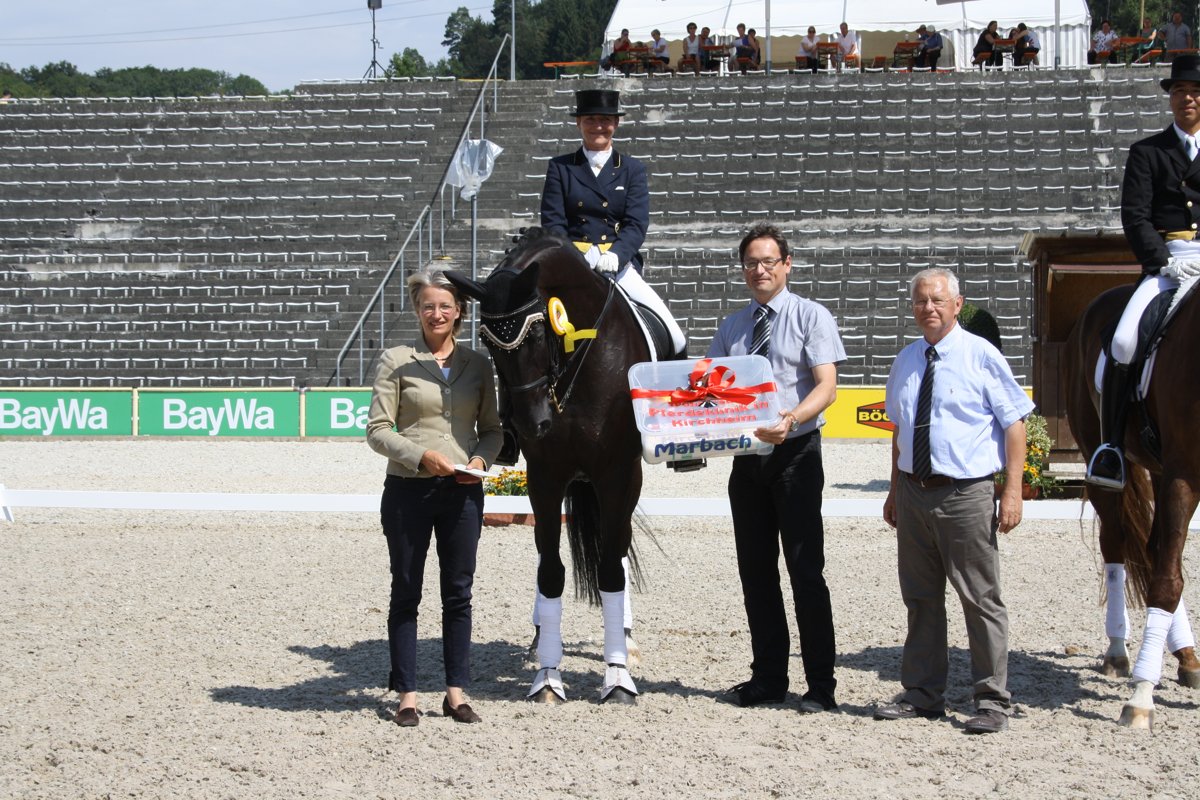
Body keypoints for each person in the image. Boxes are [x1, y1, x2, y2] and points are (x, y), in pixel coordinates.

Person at [876, 267, 1033, 735]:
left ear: (957, 303)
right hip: (914, 491)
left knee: (980, 598)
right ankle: (922, 695)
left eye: (938, 300)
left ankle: (991, 699)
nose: (929, 308)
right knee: (921, 599)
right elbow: (899, 431)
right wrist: (892, 489)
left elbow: (1015, 424)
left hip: (965, 493)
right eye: (921, 300)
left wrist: (1013, 489)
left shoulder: (980, 356)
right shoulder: (905, 359)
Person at [708, 222, 846, 713]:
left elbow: (826, 386)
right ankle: (767, 677)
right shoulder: (731, 327)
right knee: (756, 572)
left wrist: (790, 419)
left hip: (797, 453)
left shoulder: (811, 316)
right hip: (748, 461)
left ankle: (821, 686)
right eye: (751, 263)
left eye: (768, 261)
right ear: (742, 269)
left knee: (806, 570)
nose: (759, 270)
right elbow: (712, 395)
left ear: (787, 264)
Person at [366, 268, 503, 728]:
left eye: (445, 305)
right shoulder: (395, 360)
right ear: (417, 309)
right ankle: (407, 694)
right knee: (406, 592)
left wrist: (482, 462)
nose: (436, 312)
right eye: (428, 305)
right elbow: (378, 431)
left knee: (458, 594)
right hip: (408, 489)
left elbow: (493, 431)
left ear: (459, 310)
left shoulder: (479, 364)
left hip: (463, 493)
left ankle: (455, 692)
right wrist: (421, 455)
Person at [1088, 54, 1200, 489]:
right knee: (1122, 340)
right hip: (1169, 264)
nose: (1186, 98)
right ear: (1170, 99)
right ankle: (1112, 449)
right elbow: (1135, 218)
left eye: (1193, 92)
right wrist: (1164, 260)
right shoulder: (1147, 152)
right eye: (1179, 92)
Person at [539, 88, 687, 361]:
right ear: (578, 123)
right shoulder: (561, 167)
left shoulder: (632, 169)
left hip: (616, 263)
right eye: (591, 119)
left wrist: (616, 255)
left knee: (675, 336)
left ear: (616, 124)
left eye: (605, 120)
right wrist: (574, 257)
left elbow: (636, 223)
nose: (598, 126)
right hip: (573, 262)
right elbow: (553, 223)